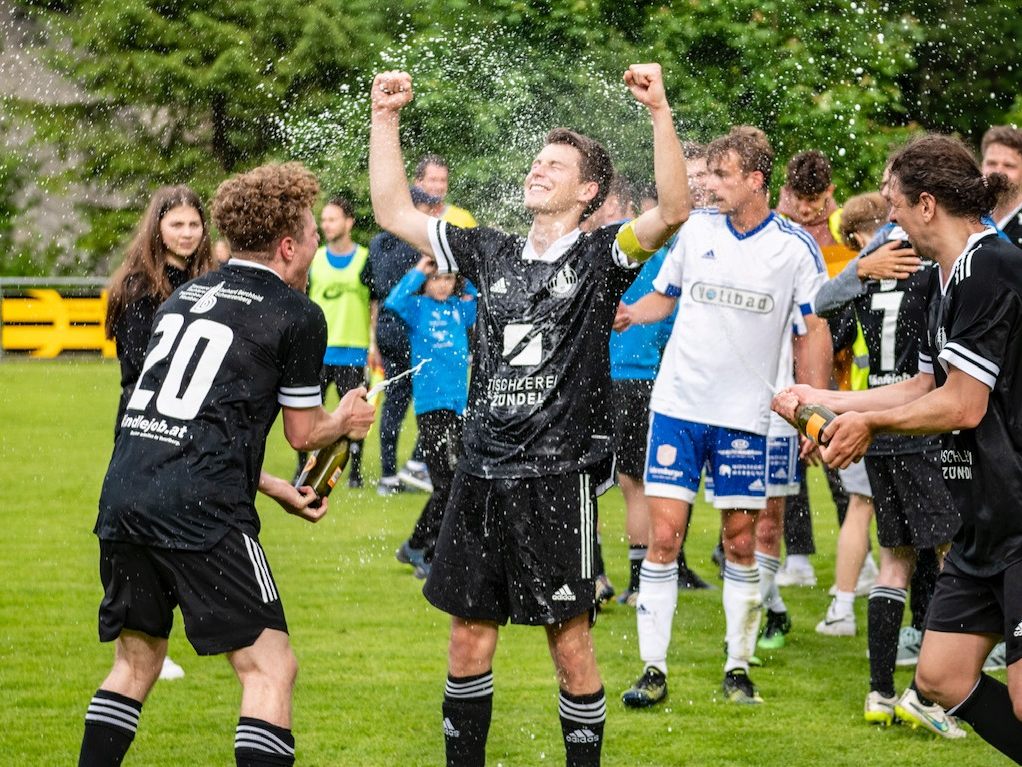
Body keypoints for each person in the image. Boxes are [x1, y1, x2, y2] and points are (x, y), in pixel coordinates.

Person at [370, 63, 689, 766]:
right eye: (537, 161)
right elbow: (393, 212)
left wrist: (659, 111)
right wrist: (384, 119)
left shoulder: (604, 255)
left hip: (556, 477)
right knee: (466, 641)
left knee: (569, 645)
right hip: (481, 471)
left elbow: (673, 209)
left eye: (557, 165)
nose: (539, 169)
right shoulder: (490, 249)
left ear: (588, 191)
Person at [79, 162, 377, 767]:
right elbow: (303, 433)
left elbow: (187, 424)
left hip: (127, 493)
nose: (315, 246)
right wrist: (344, 419)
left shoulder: (184, 296)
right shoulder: (297, 313)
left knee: (135, 663)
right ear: (288, 246)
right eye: (310, 235)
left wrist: (272, 487)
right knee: (270, 668)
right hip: (203, 510)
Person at [773, 134, 1022, 761]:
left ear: (927, 205)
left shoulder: (991, 266)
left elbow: (963, 404)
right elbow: (922, 386)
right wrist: (828, 400)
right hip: (985, 518)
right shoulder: (938, 279)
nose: (890, 221)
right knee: (939, 678)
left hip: (1020, 516)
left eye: (895, 205)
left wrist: (871, 427)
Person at [617, 125, 831, 708]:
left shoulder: (794, 247)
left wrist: (814, 407)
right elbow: (665, 295)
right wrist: (628, 313)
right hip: (678, 408)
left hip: (744, 419)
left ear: (755, 180)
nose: (708, 184)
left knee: (740, 542)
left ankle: (737, 667)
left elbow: (812, 328)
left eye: (721, 174)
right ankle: (653, 671)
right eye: (708, 173)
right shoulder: (694, 231)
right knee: (664, 538)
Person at [811, 188, 964, 734]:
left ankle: (880, 691)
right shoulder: (927, 260)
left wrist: (858, 268)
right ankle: (929, 691)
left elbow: (821, 303)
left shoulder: (870, 267)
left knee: (896, 558)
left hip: (876, 419)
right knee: (948, 554)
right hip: (917, 420)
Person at [103, 185, 217, 683]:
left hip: (193, 428)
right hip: (145, 426)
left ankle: (174, 636)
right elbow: (142, 368)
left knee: (182, 533)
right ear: (158, 228)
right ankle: (142, 647)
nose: (187, 234)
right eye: (177, 225)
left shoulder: (211, 282)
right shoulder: (137, 288)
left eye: (194, 224)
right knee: (143, 538)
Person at [387, 255, 476, 579]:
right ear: (426, 280)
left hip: (457, 406)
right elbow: (394, 301)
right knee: (446, 484)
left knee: (456, 482)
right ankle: (421, 548)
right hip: (431, 407)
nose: (442, 285)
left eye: (448, 278)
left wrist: (465, 260)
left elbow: (480, 296)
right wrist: (418, 270)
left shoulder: (458, 309)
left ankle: (422, 547)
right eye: (436, 278)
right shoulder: (417, 308)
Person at [369, 186, 445, 496]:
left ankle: (388, 475)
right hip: (414, 323)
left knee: (395, 401)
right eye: (428, 208)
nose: (433, 213)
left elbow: (374, 293)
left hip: (386, 327)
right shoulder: (419, 242)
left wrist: (374, 340)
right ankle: (416, 462)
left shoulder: (377, 242)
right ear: (415, 207)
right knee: (435, 395)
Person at [303, 195, 375, 488]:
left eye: (333, 219)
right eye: (324, 220)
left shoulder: (366, 258)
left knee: (356, 415)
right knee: (307, 414)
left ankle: (354, 475)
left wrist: (374, 343)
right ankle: (303, 470)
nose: (326, 225)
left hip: (354, 351)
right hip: (317, 351)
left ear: (349, 222)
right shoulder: (315, 258)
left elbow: (374, 304)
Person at [981, 125, 1022, 248]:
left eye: (1009, 165)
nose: (998, 172)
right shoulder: (967, 217)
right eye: (991, 163)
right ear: (981, 166)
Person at [414, 153, 478, 228]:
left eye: (443, 180)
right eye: (433, 180)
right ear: (418, 183)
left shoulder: (464, 218)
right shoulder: (406, 219)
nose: (439, 186)